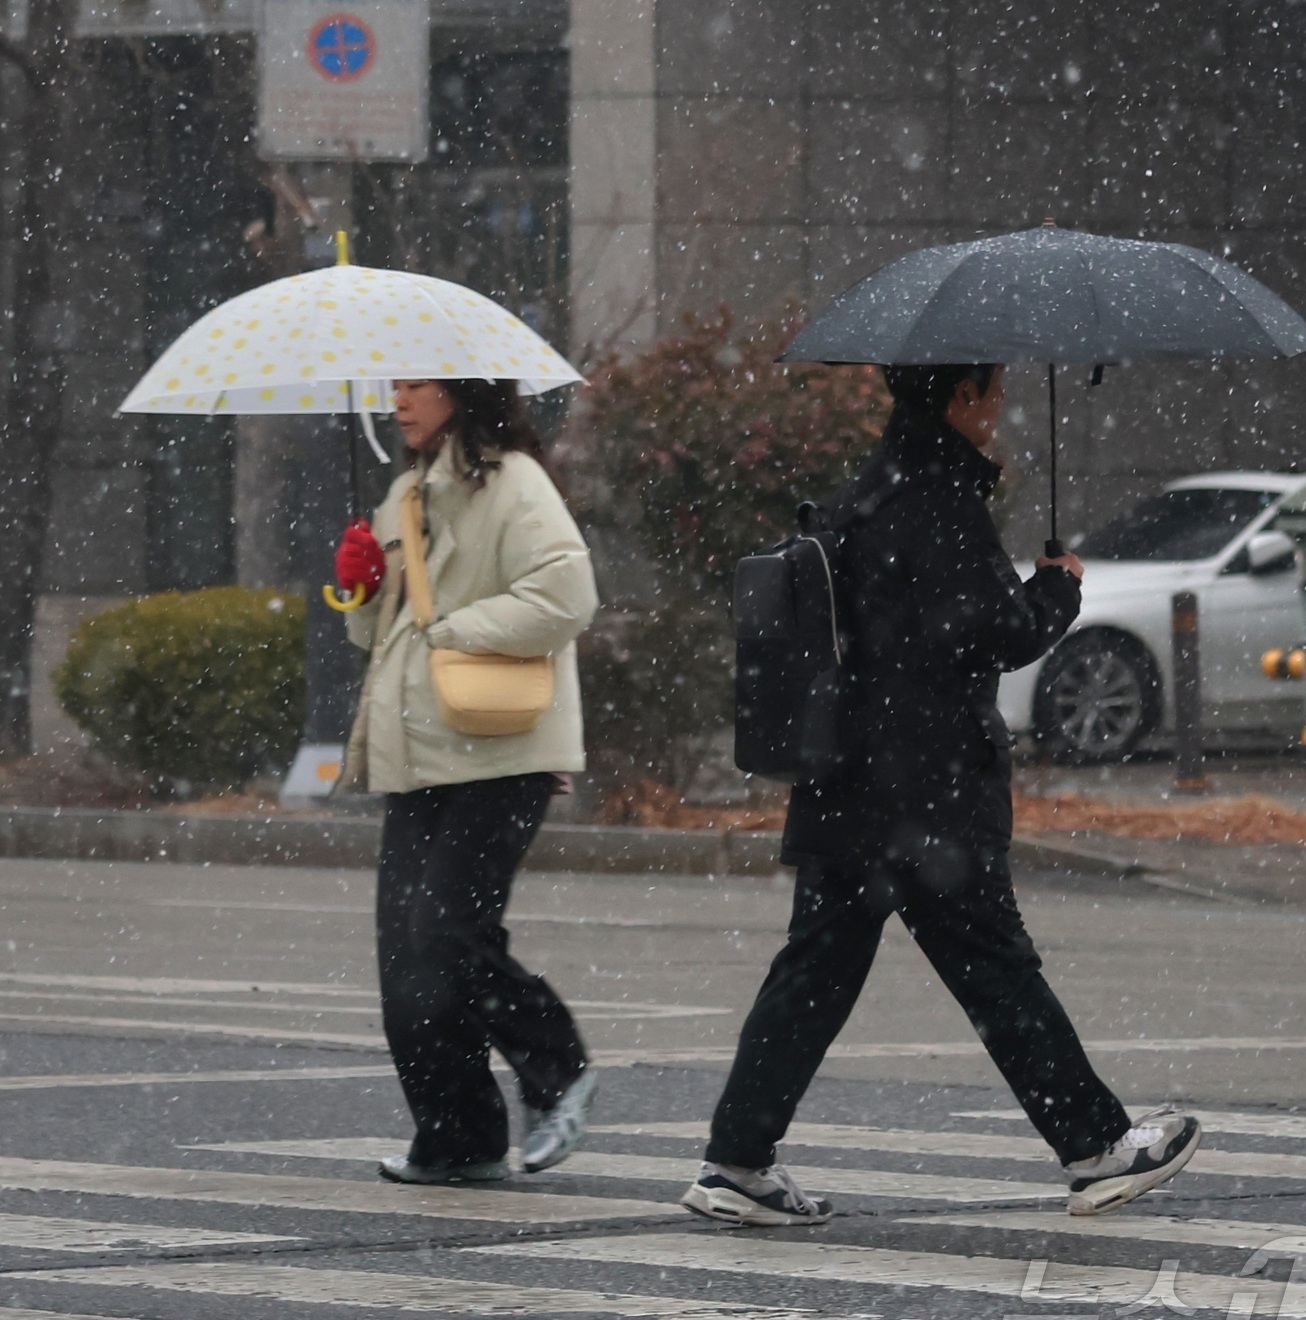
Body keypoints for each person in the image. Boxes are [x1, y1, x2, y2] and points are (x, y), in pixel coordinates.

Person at [681, 363, 1201, 1225]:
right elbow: (998, 634)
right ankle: (1098, 1148)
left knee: (813, 973)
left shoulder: (864, 493)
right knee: (995, 969)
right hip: (924, 792)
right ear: (961, 397)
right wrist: (1059, 586)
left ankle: (736, 1160)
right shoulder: (938, 502)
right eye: (992, 392)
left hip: (848, 779)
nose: (999, 410)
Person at [335, 377, 600, 1185]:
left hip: (502, 751)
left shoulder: (515, 481)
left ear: (461, 395)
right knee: (407, 964)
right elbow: (377, 635)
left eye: (416, 386)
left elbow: (566, 595)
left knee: (449, 937)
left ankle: (560, 1071)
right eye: (395, 387)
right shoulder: (405, 494)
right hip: (418, 752)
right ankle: (458, 1136)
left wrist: (453, 629)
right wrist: (358, 588)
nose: (399, 401)